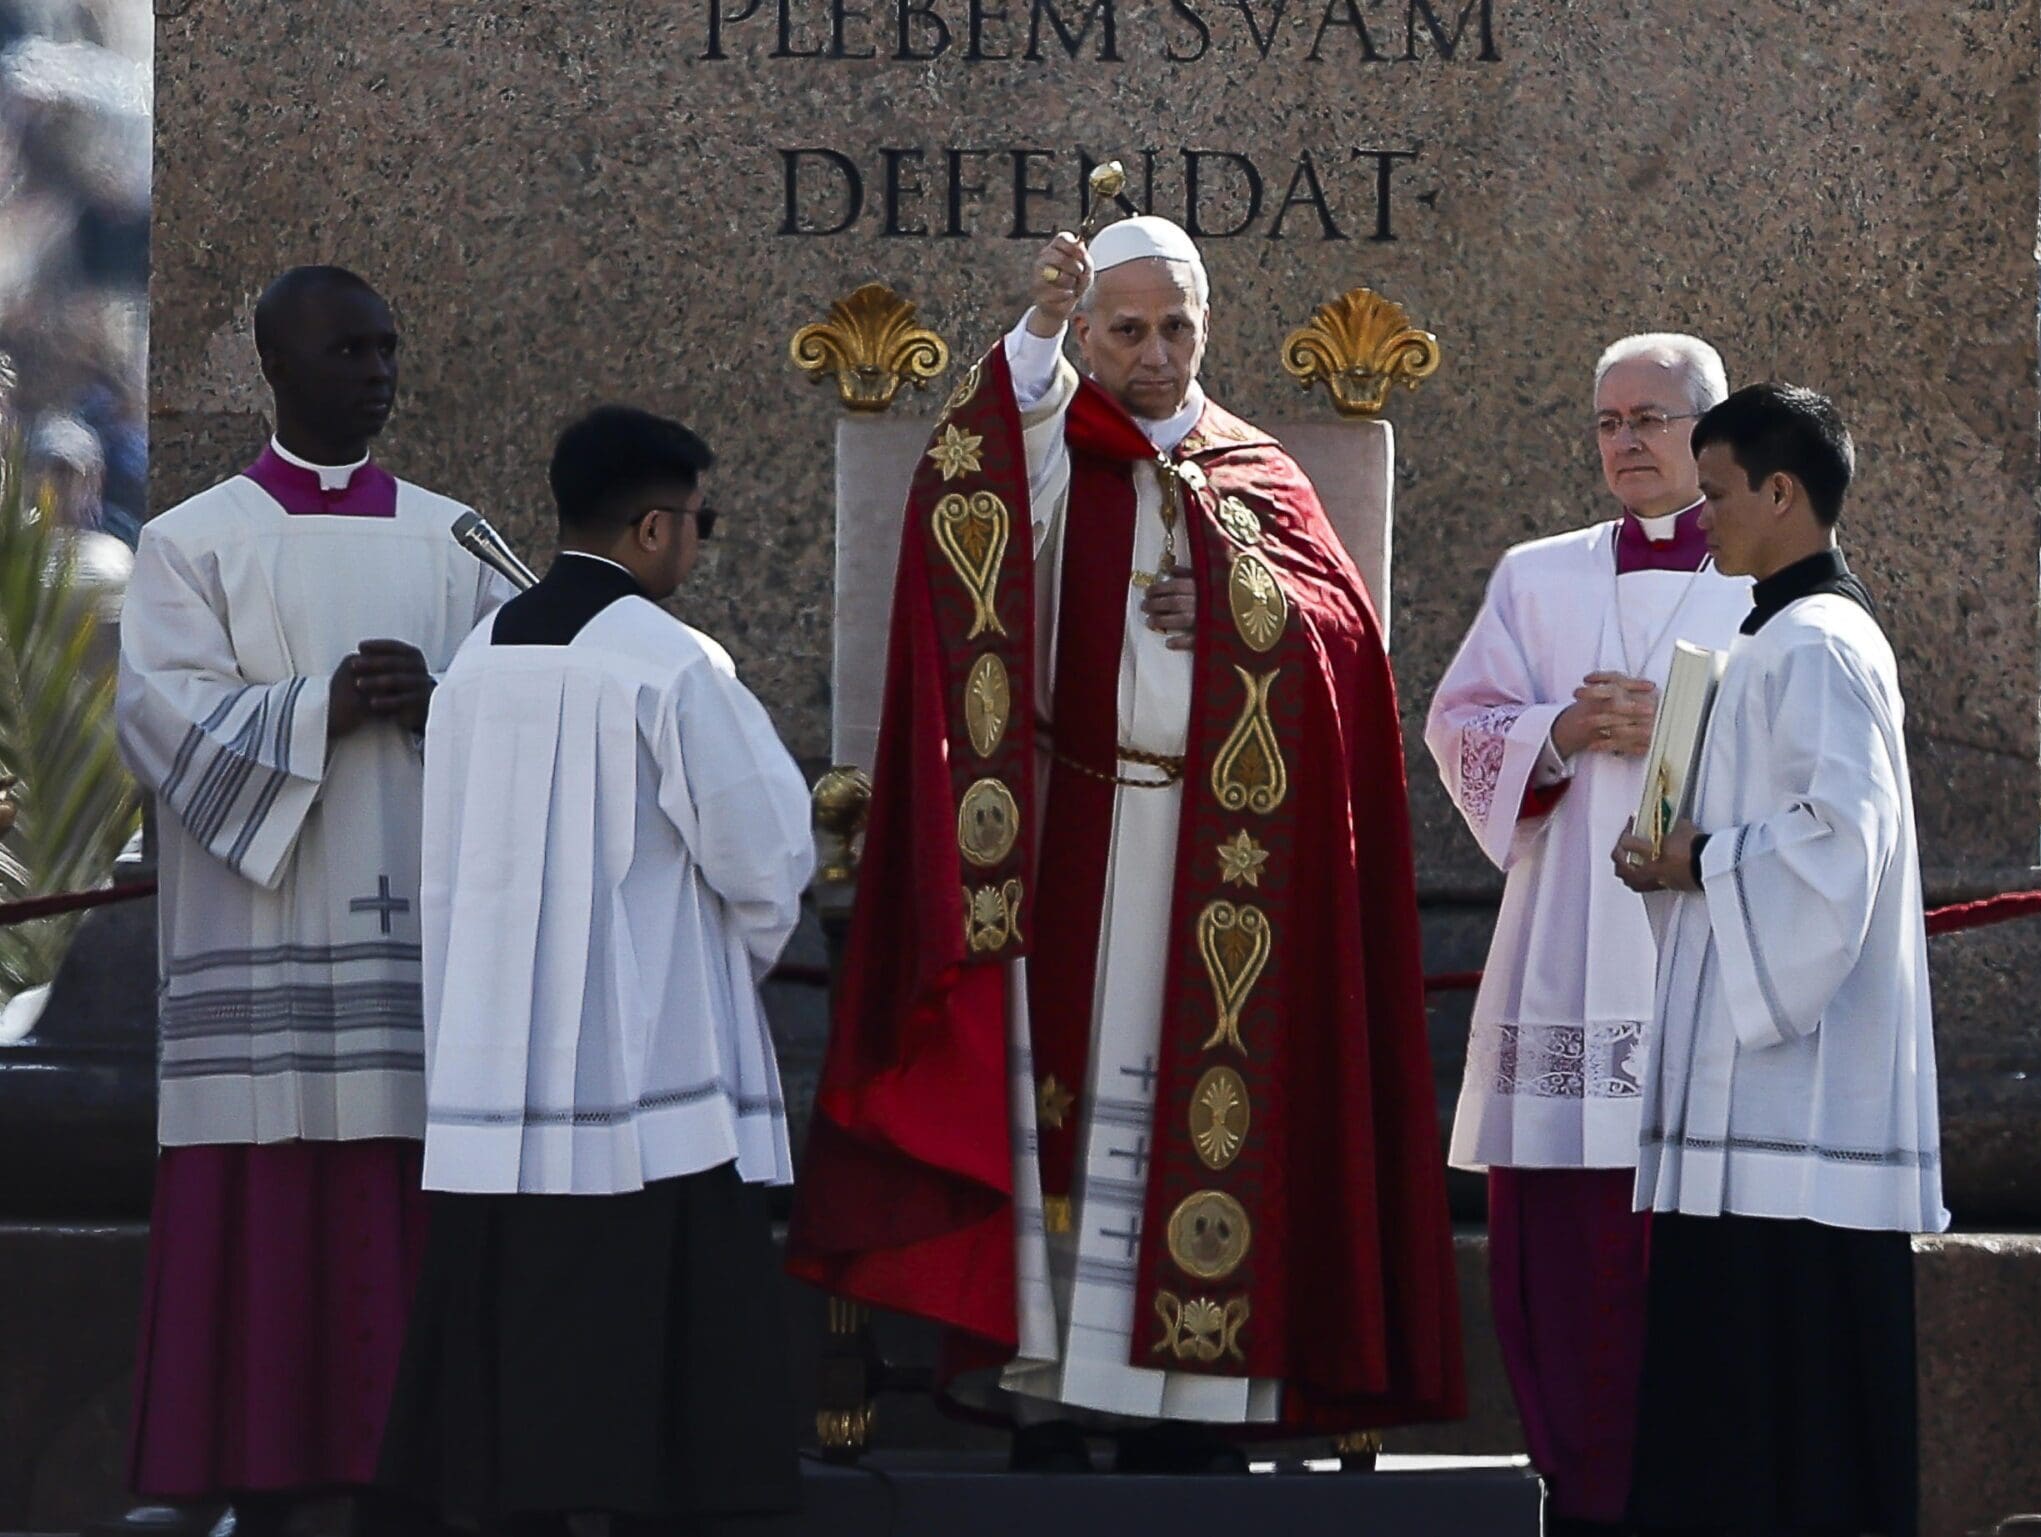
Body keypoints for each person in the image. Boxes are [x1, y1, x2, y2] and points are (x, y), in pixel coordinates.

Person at [788, 215, 1463, 1469]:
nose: (1155, 355)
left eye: (1178, 327)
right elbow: (972, 495)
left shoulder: (1259, 468)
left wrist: (1232, 598)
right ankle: (1056, 1394)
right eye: (1125, 329)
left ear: (1211, 325)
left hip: (1232, 859)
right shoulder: (1056, 447)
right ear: (1089, 331)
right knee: (1077, 1127)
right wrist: (1037, 334)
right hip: (1079, 840)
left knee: (1205, 1129)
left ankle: (1199, 1416)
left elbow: (1343, 645)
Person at [113, 266, 506, 1532]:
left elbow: (540, 707)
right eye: (347, 350)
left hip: (414, 940)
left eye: (387, 348)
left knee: (406, 1197)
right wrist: (319, 707)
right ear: (276, 370)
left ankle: (416, 1469)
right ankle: (258, 1480)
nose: (376, 370)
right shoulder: (192, 541)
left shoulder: (458, 538)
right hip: (262, 934)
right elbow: (159, 718)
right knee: (267, 1213)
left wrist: (447, 697)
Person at [378, 405, 813, 1529]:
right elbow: (766, 854)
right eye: (700, 522)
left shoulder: (475, 660)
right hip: (645, 1082)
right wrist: (724, 967)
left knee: (515, 1362)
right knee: (669, 1381)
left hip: (493, 1081)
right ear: (659, 526)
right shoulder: (671, 663)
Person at [1423, 332, 1750, 1533]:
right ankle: (1579, 1490)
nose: (1624, 440)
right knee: (1567, 1267)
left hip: (1705, 950)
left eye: (1652, 419)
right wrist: (1555, 732)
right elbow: (1459, 725)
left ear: (1711, 437)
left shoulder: (1770, 580)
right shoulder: (1538, 576)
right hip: (1565, 944)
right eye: (1608, 419)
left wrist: (1682, 731)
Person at [1612, 383, 1945, 1537]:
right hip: (1750, 1095)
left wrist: (1696, 854)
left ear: (1780, 490)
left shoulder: (1816, 643)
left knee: (1783, 1412)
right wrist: (1676, 849)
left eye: (1714, 492)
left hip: (1793, 1104)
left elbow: (1836, 847)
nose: (1699, 517)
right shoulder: (1771, 635)